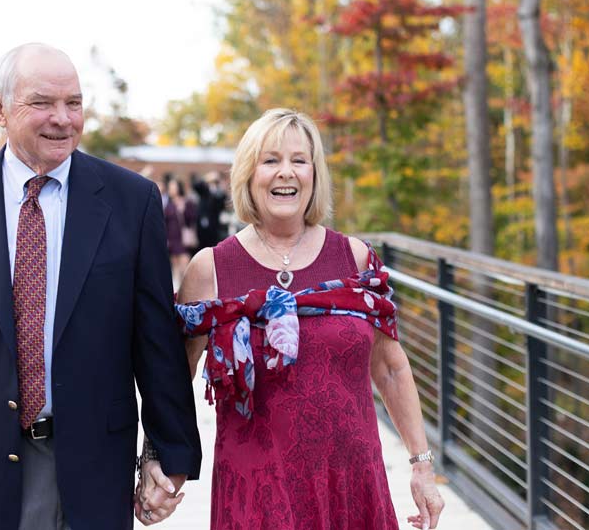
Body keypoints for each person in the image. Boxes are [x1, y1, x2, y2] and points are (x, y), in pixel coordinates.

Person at [0, 43, 201, 529]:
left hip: (95, 463)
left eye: (74, 103)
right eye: (43, 103)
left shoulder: (132, 202)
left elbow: (154, 339)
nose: (63, 119)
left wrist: (168, 451)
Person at [140, 108, 445, 529]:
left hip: (350, 485)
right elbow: (173, 379)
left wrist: (421, 467)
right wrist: (156, 462)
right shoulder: (211, 269)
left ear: (315, 174)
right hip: (258, 492)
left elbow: (391, 368)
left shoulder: (354, 258)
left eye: (299, 161)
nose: (287, 173)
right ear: (249, 174)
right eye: (271, 160)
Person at [163, 177, 197, 287]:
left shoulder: (187, 202)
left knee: (185, 267)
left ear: (178, 188)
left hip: (183, 239)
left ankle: (188, 289)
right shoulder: (169, 204)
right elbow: (165, 222)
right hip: (172, 239)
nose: (171, 189)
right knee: (175, 267)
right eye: (170, 187)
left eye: (173, 187)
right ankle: (177, 292)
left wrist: (183, 211)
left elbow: (192, 219)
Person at [192, 171, 228, 250]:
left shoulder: (219, 192)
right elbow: (195, 185)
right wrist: (206, 178)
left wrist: (221, 187)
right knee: (202, 246)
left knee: (213, 246)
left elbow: (222, 203)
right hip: (202, 224)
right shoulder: (204, 189)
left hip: (214, 225)